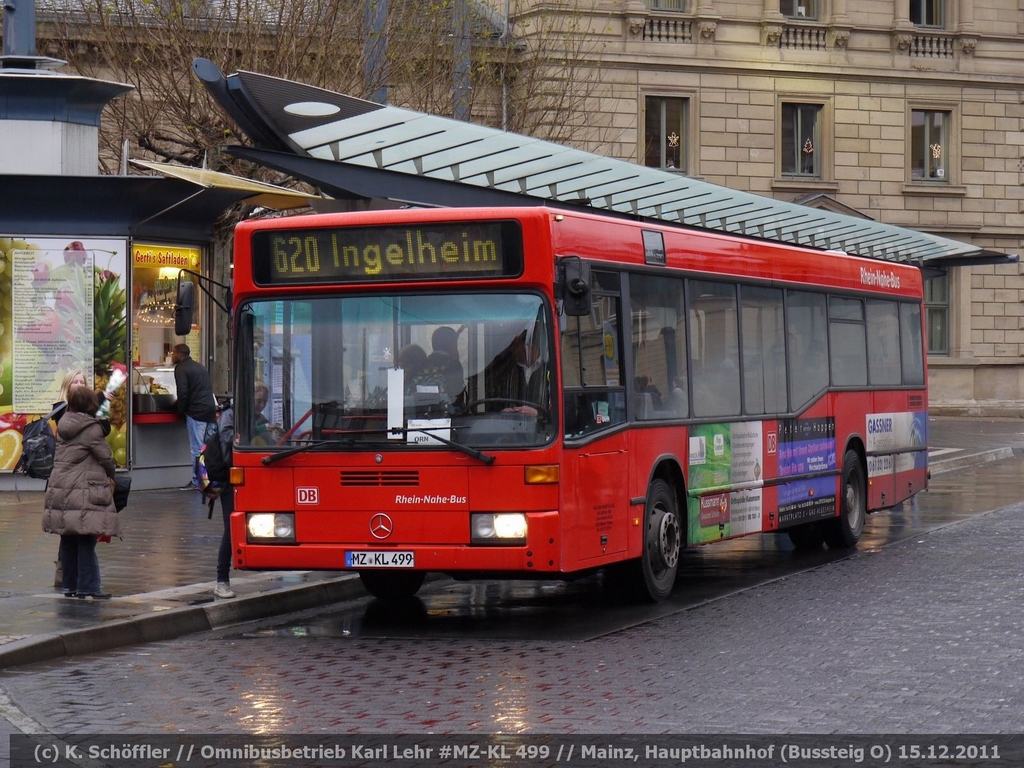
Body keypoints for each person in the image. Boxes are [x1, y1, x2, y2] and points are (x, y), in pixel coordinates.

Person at [42, 386, 119, 600]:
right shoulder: (90, 428)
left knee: (68, 537)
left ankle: (69, 586)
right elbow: (105, 457)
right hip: (83, 489)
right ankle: (89, 587)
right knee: (86, 538)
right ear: (90, 404)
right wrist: (113, 473)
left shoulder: (64, 423)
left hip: (61, 488)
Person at [171, 343, 217, 490]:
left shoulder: (181, 369)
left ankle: (198, 481)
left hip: (196, 413)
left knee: (196, 449)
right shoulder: (200, 367)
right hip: (210, 411)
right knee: (207, 447)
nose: (172, 356)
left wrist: (181, 411)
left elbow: (183, 393)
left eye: (173, 353)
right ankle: (209, 479)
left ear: (179, 354)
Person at [213, 401, 236, 599]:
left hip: (246, 476)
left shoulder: (250, 414)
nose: (260, 405)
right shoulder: (230, 414)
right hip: (229, 479)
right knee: (230, 529)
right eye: (258, 401)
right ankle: (222, 581)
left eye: (263, 402)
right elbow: (228, 439)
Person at [408, 327, 465, 404]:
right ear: (453, 345)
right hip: (447, 410)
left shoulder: (422, 363)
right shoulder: (454, 365)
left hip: (420, 409)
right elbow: (457, 394)